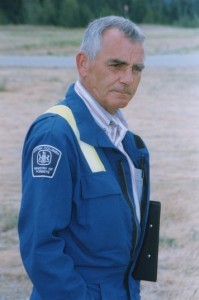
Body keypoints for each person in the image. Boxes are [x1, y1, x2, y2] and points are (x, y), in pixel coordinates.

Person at [18, 15, 150, 300]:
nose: (128, 79)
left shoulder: (127, 142)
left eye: (136, 69)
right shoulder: (56, 135)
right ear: (83, 64)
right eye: (116, 65)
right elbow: (40, 247)